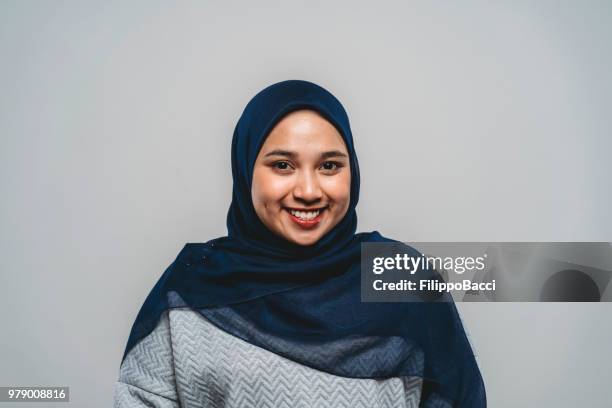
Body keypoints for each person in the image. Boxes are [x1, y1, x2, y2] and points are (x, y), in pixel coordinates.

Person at [113, 80, 486, 407]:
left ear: (352, 172)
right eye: (282, 165)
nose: (308, 191)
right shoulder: (190, 291)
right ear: (246, 172)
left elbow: (459, 397)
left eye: (329, 166)